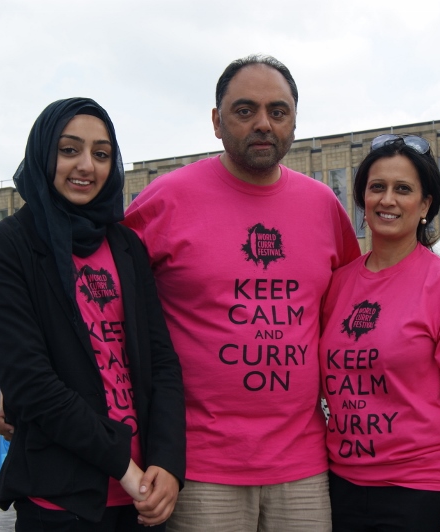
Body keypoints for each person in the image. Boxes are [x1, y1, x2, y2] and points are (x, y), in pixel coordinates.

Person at [124, 54, 360, 532]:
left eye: (278, 112)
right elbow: (100, 304)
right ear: (216, 121)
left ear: (294, 121)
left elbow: (354, 317)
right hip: (198, 467)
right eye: (244, 110)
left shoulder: (324, 207)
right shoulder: (165, 200)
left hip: (304, 467)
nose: (263, 124)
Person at [0, 97, 185, 531]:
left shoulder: (126, 247)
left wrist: (166, 463)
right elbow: (31, 383)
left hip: (144, 497)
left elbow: (161, 363)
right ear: (43, 153)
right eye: (69, 150)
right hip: (63, 500)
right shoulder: (5, 247)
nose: (86, 165)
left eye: (102, 154)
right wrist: (125, 470)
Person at [319, 134, 440, 532]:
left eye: (403, 189)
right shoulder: (338, 284)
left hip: (418, 495)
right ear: (363, 200)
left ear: (425, 204)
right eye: (377, 187)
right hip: (338, 489)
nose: (388, 200)